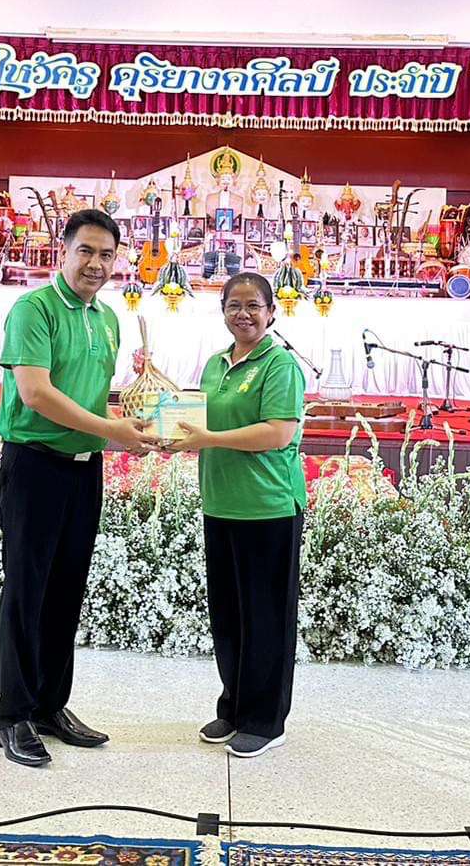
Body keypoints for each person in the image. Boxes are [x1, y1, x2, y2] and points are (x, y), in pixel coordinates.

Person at [0, 208, 161, 768]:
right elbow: (36, 394)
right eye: (85, 251)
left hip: (84, 469)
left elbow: (89, 400)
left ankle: (49, 706)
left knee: (66, 590)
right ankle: (13, 715)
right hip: (35, 465)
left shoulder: (107, 318)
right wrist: (113, 431)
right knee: (27, 591)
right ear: (62, 252)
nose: (95, 263)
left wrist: (129, 424)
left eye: (106, 254)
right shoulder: (34, 309)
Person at [173, 271, 306, 759]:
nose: (243, 314)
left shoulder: (280, 365)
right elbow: (199, 420)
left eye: (254, 306)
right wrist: (167, 432)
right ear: (223, 311)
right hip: (221, 501)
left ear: (272, 312)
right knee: (229, 616)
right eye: (234, 305)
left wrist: (207, 439)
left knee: (266, 618)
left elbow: (277, 433)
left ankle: (265, 721)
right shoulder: (216, 364)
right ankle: (233, 706)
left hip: (267, 506)